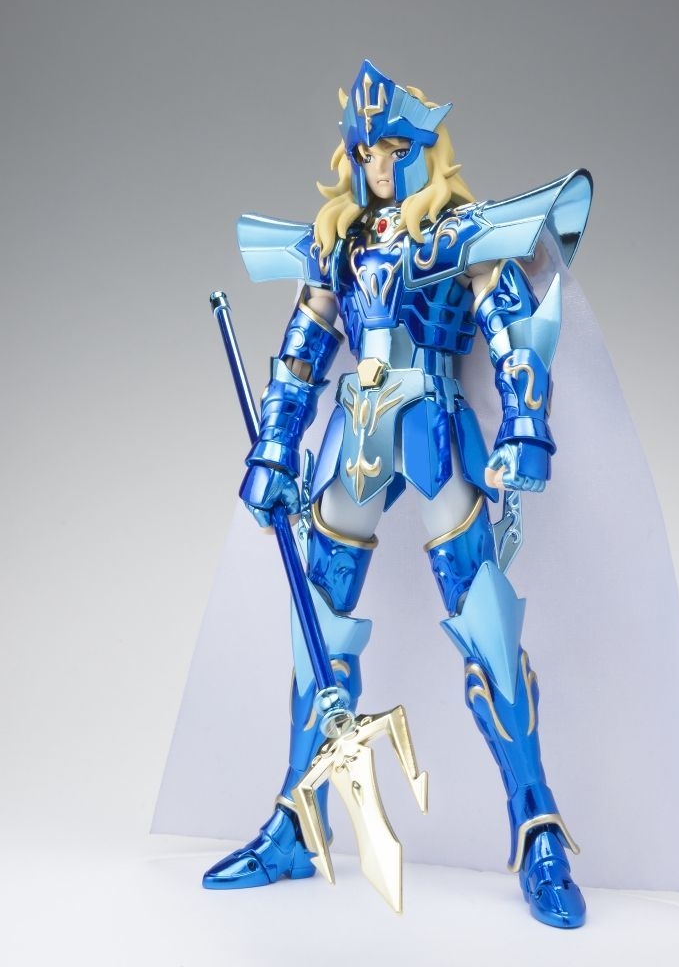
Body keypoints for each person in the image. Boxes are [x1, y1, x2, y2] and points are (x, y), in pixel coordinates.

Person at [202, 59, 593, 928]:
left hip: (434, 431)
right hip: (356, 442)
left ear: (423, 148)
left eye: (393, 148)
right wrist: (274, 449)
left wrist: (525, 425)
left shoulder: (457, 235)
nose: (378, 165)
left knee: (486, 624)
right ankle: (296, 822)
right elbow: (302, 353)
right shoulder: (339, 246)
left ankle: (537, 824)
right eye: (365, 150)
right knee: (319, 628)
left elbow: (508, 333)